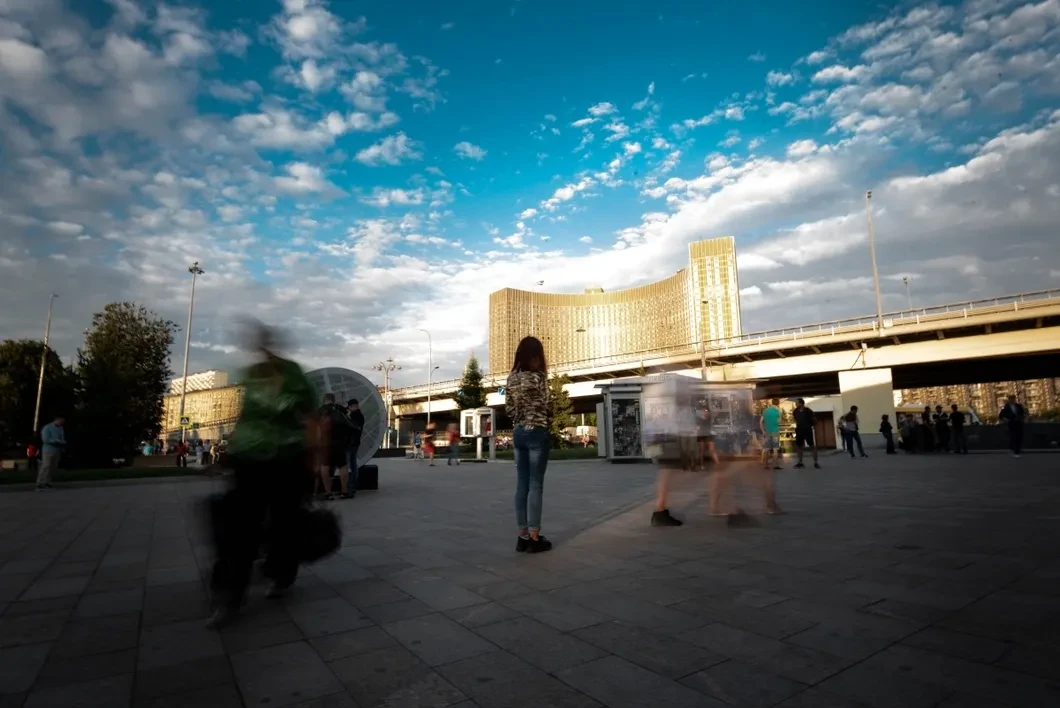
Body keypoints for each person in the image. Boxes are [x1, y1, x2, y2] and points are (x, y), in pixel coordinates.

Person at [208, 323, 318, 629]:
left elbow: (311, 417)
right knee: (239, 528)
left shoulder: (294, 374)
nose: (261, 347)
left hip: (288, 461)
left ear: (274, 343)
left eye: (265, 341)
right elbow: (245, 416)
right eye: (256, 342)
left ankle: (281, 575)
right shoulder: (251, 375)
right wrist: (228, 452)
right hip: (248, 460)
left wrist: (312, 457)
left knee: (285, 524)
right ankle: (230, 596)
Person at [505, 336, 553, 552]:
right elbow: (547, 403)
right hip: (537, 433)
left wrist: (520, 418)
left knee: (521, 484)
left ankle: (521, 536)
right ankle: (535, 536)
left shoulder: (511, 378)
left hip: (518, 433)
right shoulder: (539, 376)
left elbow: (508, 409)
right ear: (536, 355)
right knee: (536, 485)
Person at [317, 393, 355, 500]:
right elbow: (349, 421)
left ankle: (328, 493)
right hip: (339, 443)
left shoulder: (319, 411)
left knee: (325, 466)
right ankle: (344, 492)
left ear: (324, 400)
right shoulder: (339, 409)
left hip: (325, 444)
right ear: (333, 400)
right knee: (343, 466)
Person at [37, 418, 64, 490]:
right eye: (60, 420)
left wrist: (62, 443)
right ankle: (40, 482)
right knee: (46, 465)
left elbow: (62, 438)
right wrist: (55, 441)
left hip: (57, 450)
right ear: (56, 420)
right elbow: (45, 439)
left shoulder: (60, 428)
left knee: (53, 467)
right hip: (48, 449)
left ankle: (47, 482)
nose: (61, 422)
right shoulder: (47, 428)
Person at [792, 399, 820, 469]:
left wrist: (813, 426)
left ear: (801, 404)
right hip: (799, 430)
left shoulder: (808, 411)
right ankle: (800, 462)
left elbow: (814, 420)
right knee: (799, 446)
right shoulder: (795, 411)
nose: (796, 404)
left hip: (807, 430)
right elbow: (796, 420)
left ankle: (816, 462)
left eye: (797, 403)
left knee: (812, 446)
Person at [345, 399, 365, 496]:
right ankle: (352, 485)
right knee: (353, 464)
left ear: (354, 406)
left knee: (349, 465)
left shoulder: (354, 416)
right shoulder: (360, 415)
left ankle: (349, 486)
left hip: (350, 443)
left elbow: (352, 427)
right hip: (355, 443)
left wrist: (347, 416)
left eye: (349, 407)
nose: (348, 409)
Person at [760, 398, 783, 470]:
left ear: (772, 403)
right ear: (778, 403)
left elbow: (761, 421)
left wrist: (763, 431)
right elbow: (779, 422)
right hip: (775, 431)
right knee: (775, 449)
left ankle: (766, 465)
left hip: (767, 432)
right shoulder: (778, 411)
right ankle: (775, 465)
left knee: (766, 449)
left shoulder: (765, 410)